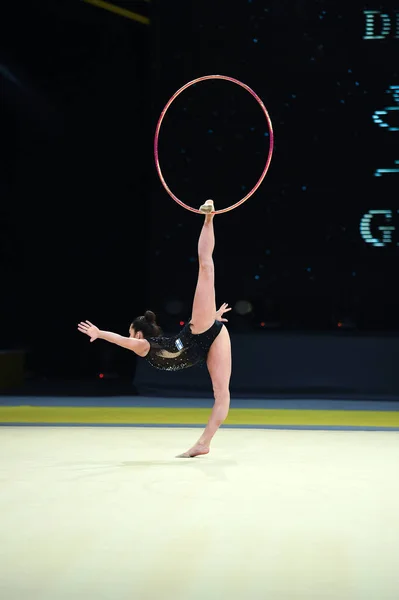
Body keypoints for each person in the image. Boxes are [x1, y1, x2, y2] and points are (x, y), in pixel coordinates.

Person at [78, 200, 232, 457]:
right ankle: (204, 443)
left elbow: (119, 340)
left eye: (130, 333)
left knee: (206, 268)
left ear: (138, 334)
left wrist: (100, 333)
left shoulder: (142, 346)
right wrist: (212, 318)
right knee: (221, 394)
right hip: (208, 336)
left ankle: (209, 218)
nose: (129, 338)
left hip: (202, 329)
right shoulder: (153, 346)